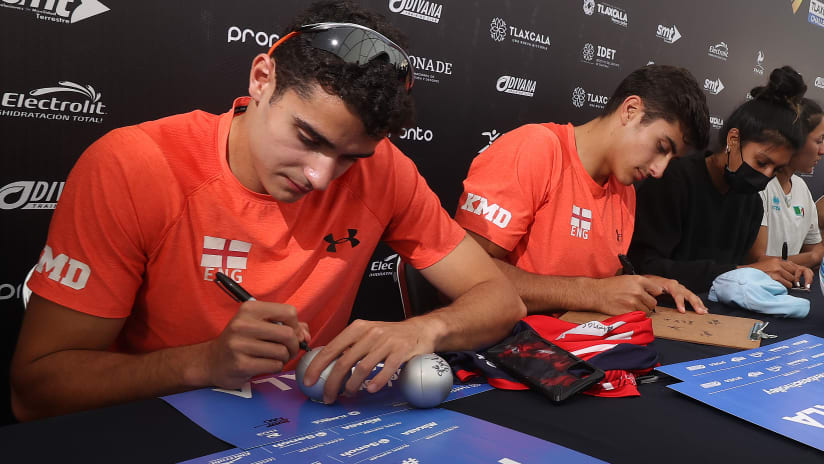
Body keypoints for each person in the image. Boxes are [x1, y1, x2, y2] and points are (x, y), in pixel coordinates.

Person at [10, 1, 525, 420]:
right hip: (158, 424)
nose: (321, 176)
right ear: (262, 78)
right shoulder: (136, 166)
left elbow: (501, 300)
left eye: (350, 157)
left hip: (306, 424)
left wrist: (423, 330)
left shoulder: (384, 170)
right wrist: (203, 363)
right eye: (308, 138)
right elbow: (36, 389)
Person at [454, 65, 710, 317]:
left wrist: (647, 287)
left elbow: (603, 288)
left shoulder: (626, 192)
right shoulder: (536, 148)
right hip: (514, 340)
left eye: (671, 159)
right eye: (661, 147)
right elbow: (463, 272)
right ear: (630, 110)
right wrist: (590, 293)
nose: (659, 170)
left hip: (586, 340)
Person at [629, 66, 814, 293]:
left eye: (776, 169)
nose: (766, 176)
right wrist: (738, 272)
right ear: (733, 140)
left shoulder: (752, 206)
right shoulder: (673, 181)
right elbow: (643, 267)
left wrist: (783, 271)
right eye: (761, 162)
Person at [750, 98, 824, 269]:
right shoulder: (759, 186)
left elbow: (815, 249)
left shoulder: (801, 187)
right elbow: (758, 262)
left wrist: (814, 255)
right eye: (818, 141)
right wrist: (812, 257)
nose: (822, 151)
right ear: (796, 139)